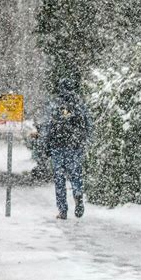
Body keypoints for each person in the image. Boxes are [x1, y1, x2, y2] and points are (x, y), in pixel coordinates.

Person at [42, 78, 92, 220]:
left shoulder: (54, 103)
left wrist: (46, 145)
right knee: (76, 174)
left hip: (57, 146)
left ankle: (62, 210)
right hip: (75, 146)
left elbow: (47, 126)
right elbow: (88, 123)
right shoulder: (79, 104)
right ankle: (77, 192)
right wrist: (84, 141)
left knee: (60, 179)